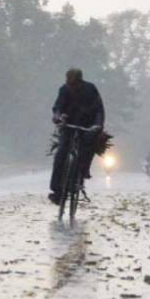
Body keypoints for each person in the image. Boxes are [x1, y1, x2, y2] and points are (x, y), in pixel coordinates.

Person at [49, 68, 105, 204]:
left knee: (87, 148)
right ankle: (56, 190)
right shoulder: (64, 90)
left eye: (74, 84)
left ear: (80, 81)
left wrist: (97, 125)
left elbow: (99, 109)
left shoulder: (90, 89)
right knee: (61, 153)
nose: (71, 86)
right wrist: (57, 117)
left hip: (87, 127)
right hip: (68, 126)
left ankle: (82, 173)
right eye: (69, 83)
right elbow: (57, 107)